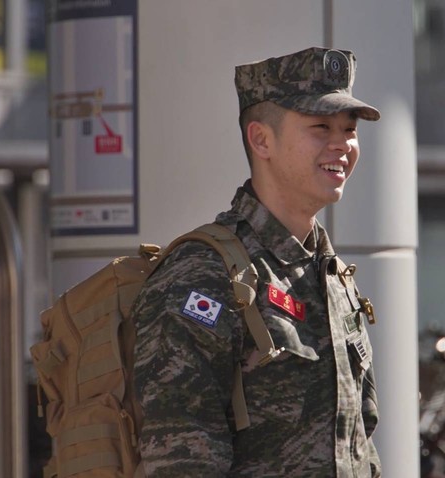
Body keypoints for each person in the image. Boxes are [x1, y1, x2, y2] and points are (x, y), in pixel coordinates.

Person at [132, 47, 382, 477]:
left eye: (349, 129)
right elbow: (181, 457)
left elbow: (360, 442)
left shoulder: (332, 276)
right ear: (261, 139)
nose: (342, 144)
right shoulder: (206, 273)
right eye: (321, 127)